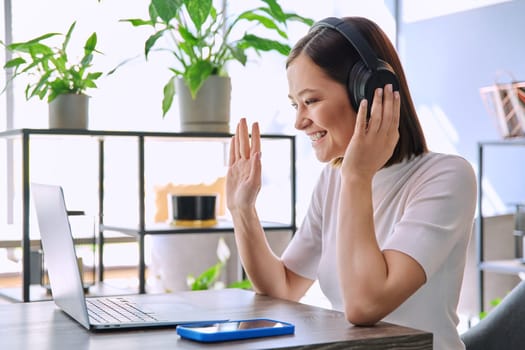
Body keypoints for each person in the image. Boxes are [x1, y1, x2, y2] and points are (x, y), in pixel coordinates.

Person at [226, 16, 476, 350]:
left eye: (311, 101)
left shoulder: (446, 177)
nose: (299, 121)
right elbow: (283, 287)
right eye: (294, 104)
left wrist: (357, 176)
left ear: (368, 92)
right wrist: (242, 210)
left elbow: (365, 305)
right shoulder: (333, 177)